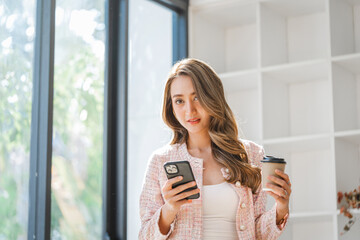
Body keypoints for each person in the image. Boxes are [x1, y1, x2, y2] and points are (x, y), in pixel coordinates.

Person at [139, 58, 291, 239]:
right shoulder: (160, 161)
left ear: (212, 97)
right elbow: (144, 236)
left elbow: (257, 233)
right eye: (179, 101)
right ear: (171, 106)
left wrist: (281, 208)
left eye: (196, 97)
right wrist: (169, 209)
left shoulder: (251, 154)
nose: (190, 110)